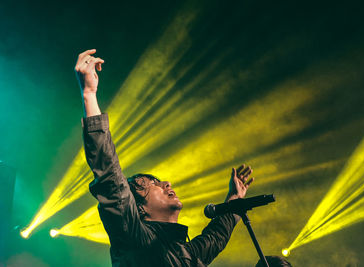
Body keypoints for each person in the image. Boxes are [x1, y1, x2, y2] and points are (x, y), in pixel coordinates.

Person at [75, 49, 255, 266]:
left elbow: (216, 236)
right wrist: (89, 94)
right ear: (139, 208)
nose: (167, 183)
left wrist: (234, 201)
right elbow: (111, 181)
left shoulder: (187, 254)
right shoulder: (137, 240)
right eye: (153, 184)